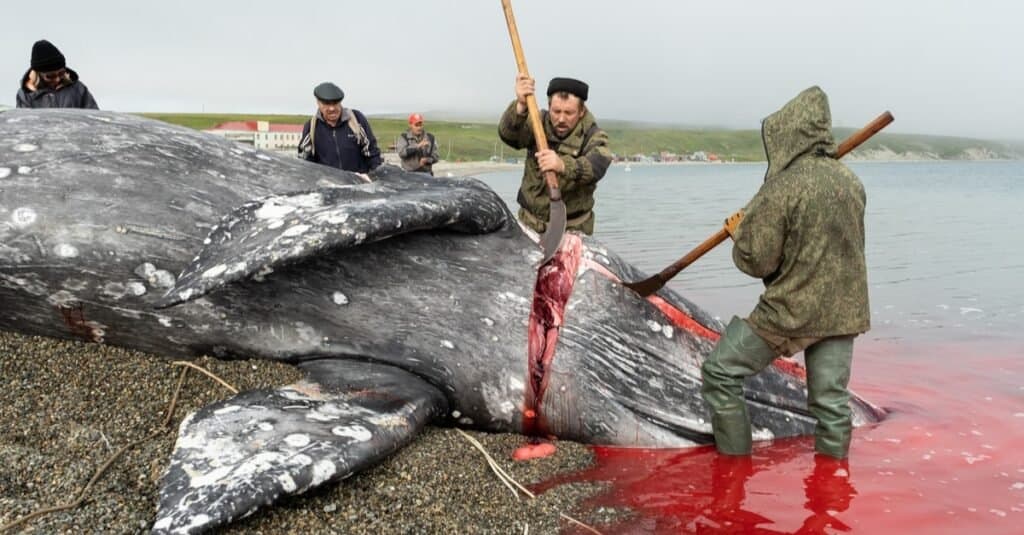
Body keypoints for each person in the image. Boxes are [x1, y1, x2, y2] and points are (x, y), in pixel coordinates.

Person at [700, 86, 870, 460]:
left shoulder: (781, 187)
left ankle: (733, 476)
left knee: (720, 372)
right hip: (844, 311)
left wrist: (739, 234)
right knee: (832, 407)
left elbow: (757, 262)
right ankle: (831, 498)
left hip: (790, 310)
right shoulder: (852, 183)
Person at [498, 75, 612, 235]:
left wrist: (563, 165)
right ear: (549, 106)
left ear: (581, 112)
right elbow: (509, 136)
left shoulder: (595, 136)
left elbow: (597, 167)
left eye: (569, 112)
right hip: (529, 225)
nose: (561, 119)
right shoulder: (537, 122)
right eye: (556, 111)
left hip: (572, 230)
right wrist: (521, 105)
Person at [298, 82, 381, 174]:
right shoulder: (311, 127)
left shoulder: (356, 119)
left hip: (359, 183)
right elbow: (304, 162)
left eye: (335, 103)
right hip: (328, 185)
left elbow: (372, 153)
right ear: (318, 103)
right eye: (326, 104)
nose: (332, 108)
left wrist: (375, 177)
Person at [16, 39, 98, 109]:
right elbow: (23, 124)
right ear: (38, 75)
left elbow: (94, 117)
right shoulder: (25, 96)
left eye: (61, 73)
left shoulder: (78, 89)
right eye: (50, 76)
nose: (57, 79)